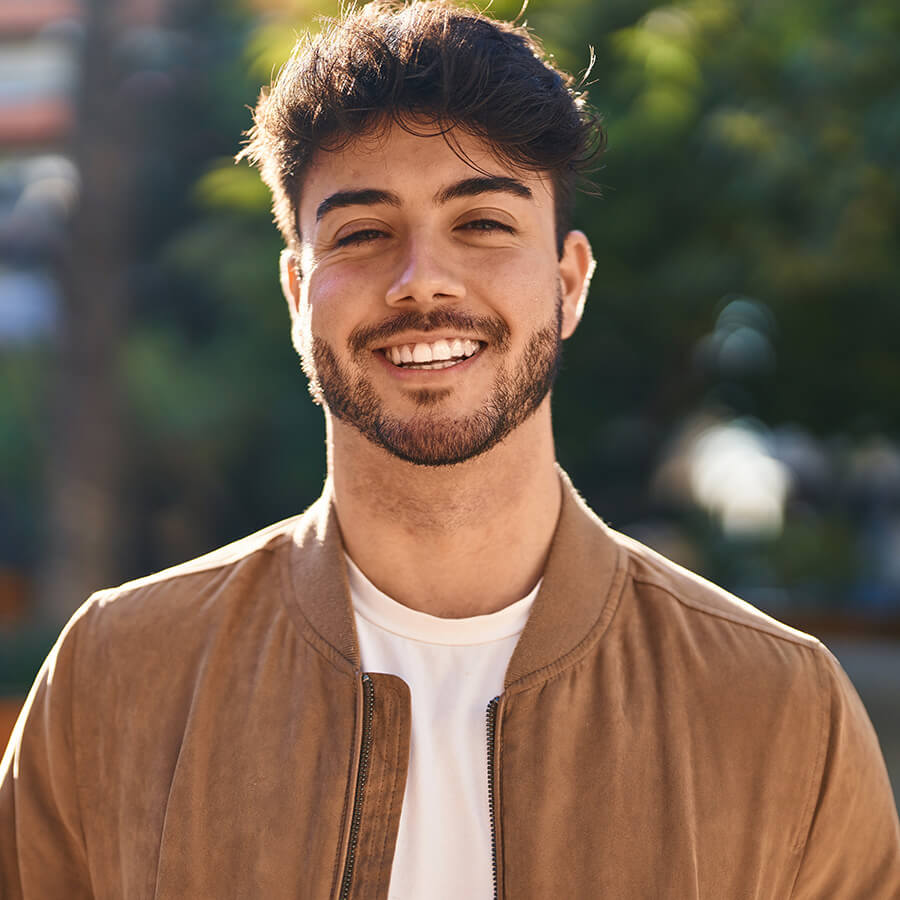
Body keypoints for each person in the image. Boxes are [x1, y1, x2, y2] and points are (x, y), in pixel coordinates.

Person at [2, 1, 899, 897]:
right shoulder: (114, 678)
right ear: (297, 293)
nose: (422, 280)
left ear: (569, 281)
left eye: (483, 223)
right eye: (362, 233)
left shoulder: (783, 710)